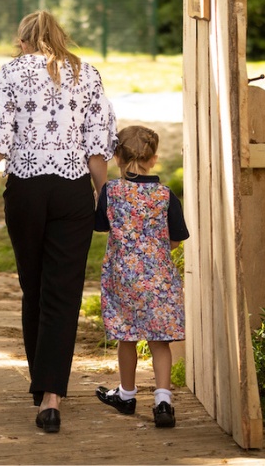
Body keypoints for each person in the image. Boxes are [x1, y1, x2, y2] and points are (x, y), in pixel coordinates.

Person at [0, 10, 116, 433]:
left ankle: (40, 382)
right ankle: (51, 396)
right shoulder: (87, 73)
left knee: (34, 286)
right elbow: (96, 144)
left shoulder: (11, 73)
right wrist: (103, 192)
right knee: (63, 291)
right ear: (60, 38)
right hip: (72, 189)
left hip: (26, 188)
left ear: (23, 42)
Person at [93, 124, 189, 429]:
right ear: (154, 159)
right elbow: (176, 238)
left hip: (123, 278)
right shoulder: (165, 195)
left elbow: (101, 226)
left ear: (117, 157)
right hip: (159, 279)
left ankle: (127, 393)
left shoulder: (112, 191)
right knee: (160, 341)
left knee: (127, 337)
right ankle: (163, 402)